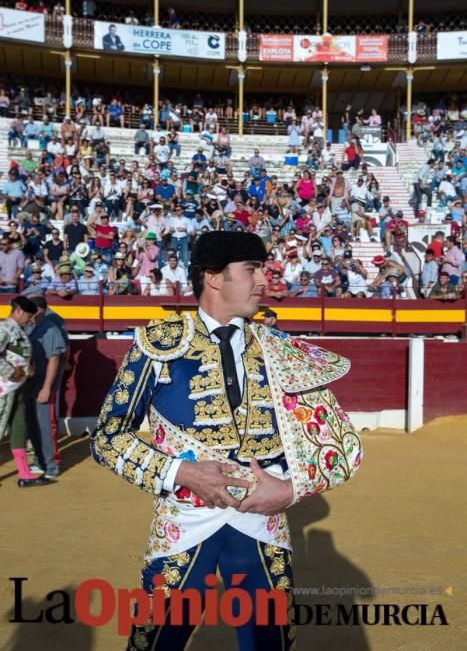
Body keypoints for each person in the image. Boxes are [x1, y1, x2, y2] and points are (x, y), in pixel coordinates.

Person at [91, 231, 361, 651]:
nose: (263, 281)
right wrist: (182, 471)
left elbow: (341, 446)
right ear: (214, 277)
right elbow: (108, 437)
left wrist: (290, 490)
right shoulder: (157, 346)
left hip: (263, 524)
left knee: (271, 643)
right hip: (184, 519)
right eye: (252, 270)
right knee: (157, 641)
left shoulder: (280, 350)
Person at [0, 296, 50, 487]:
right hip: (4, 388)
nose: (30, 320)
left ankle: (24, 473)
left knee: (19, 428)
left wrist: (29, 368)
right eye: (28, 316)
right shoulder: (4, 329)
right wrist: (10, 370)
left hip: (17, 388)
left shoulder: (17, 330)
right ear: (19, 311)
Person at [25, 296, 67, 479]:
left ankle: (51, 466)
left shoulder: (50, 328)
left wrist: (47, 387)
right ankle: (40, 461)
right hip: (32, 384)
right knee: (34, 424)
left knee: (44, 424)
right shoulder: (32, 327)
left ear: (38, 310)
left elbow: (56, 358)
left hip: (43, 384)